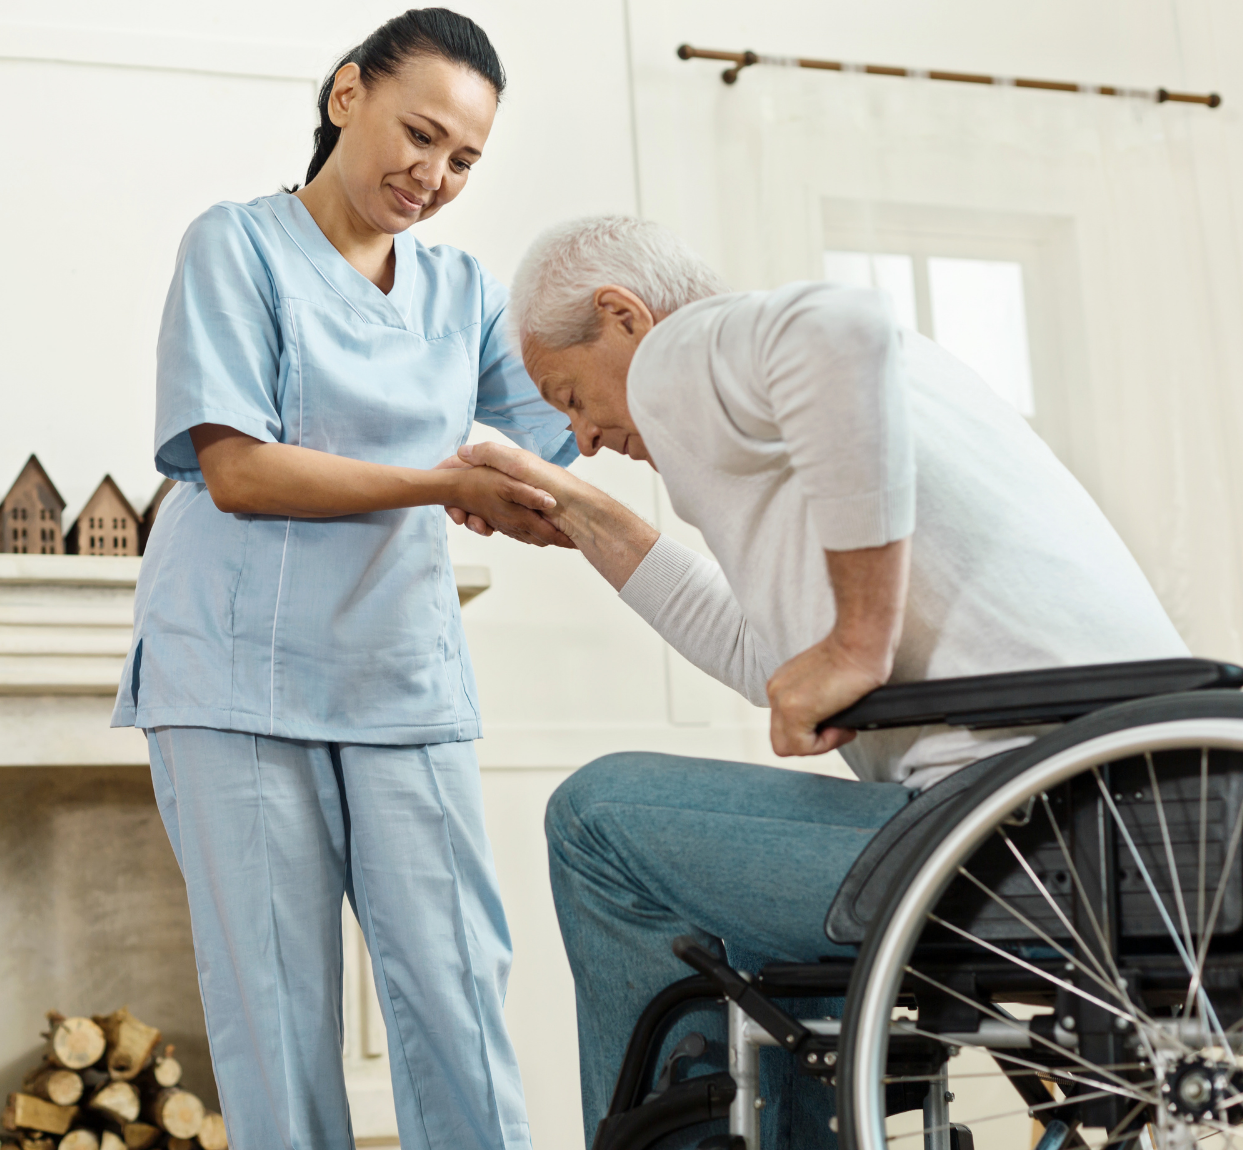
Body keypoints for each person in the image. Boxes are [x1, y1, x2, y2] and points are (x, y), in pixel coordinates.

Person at [443, 214, 1190, 1146]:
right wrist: (582, 511)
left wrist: (860, 645)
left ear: (622, 315)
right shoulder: (832, 407)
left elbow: (842, 331)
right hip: (1138, 816)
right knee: (751, 939)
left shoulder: (688, 350)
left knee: (595, 819)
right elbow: (769, 659)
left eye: (569, 395)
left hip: (1027, 829)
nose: (584, 436)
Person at [110, 13, 577, 1150]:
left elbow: (557, 436)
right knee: (274, 1008)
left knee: (460, 984)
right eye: (419, 134)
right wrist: (437, 483)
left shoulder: (463, 291)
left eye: (464, 158)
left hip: (400, 668)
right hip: (233, 670)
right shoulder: (236, 245)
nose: (434, 174)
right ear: (344, 97)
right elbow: (238, 468)